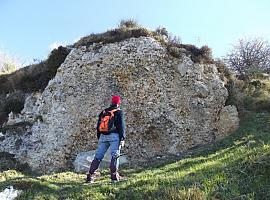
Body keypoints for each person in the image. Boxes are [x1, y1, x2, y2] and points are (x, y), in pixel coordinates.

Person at [86, 95, 126, 183]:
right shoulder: (119, 112)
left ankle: (90, 177)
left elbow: (98, 126)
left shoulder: (104, 112)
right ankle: (114, 177)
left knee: (98, 157)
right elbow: (121, 127)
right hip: (114, 136)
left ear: (111, 102)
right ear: (118, 103)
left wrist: (99, 137)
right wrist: (122, 138)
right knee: (115, 156)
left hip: (103, 136)